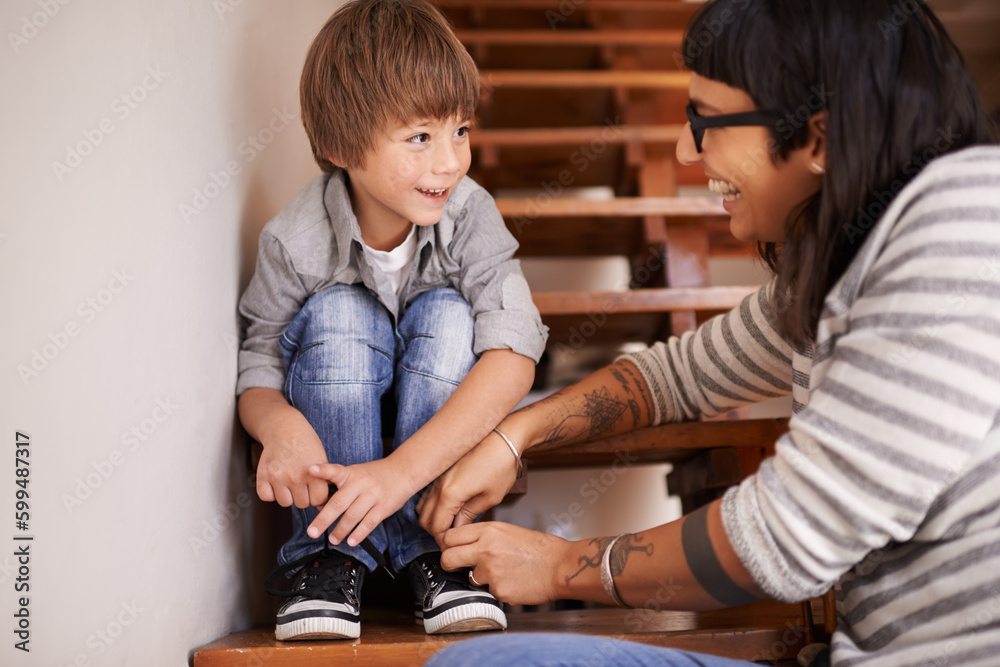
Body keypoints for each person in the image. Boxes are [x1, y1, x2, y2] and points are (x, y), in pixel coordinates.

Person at [417, 0, 1000, 665]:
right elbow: (676, 376)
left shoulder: (963, 220)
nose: (684, 149)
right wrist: (512, 434)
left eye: (707, 122)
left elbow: (786, 536)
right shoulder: (842, 270)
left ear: (820, 139)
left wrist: (560, 567)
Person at [235, 0, 546, 641]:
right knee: (341, 312)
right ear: (340, 146)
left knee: (453, 315)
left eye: (461, 130)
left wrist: (400, 475)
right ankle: (327, 557)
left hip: (426, 456)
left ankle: (436, 553)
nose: (451, 161)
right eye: (420, 137)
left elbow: (515, 349)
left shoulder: (469, 213)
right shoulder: (294, 241)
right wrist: (279, 425)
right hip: (338, 431)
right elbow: (260, 357)